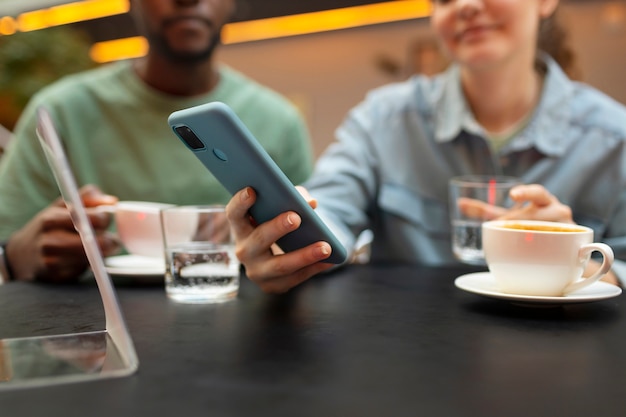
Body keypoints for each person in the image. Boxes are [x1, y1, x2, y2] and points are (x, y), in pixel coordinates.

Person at [226, 0, 626, 293]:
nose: (465, 6)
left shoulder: (613, 138)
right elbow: (331, 209)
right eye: (444, 0)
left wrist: (578, 261)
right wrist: (284, 233)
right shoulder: (383, 120)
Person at [0, 0, 314, 283]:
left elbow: (311, 244)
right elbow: (9, 241)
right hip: (91, 330)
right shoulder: (58, 113)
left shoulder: (279, 121)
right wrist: (14, 257)